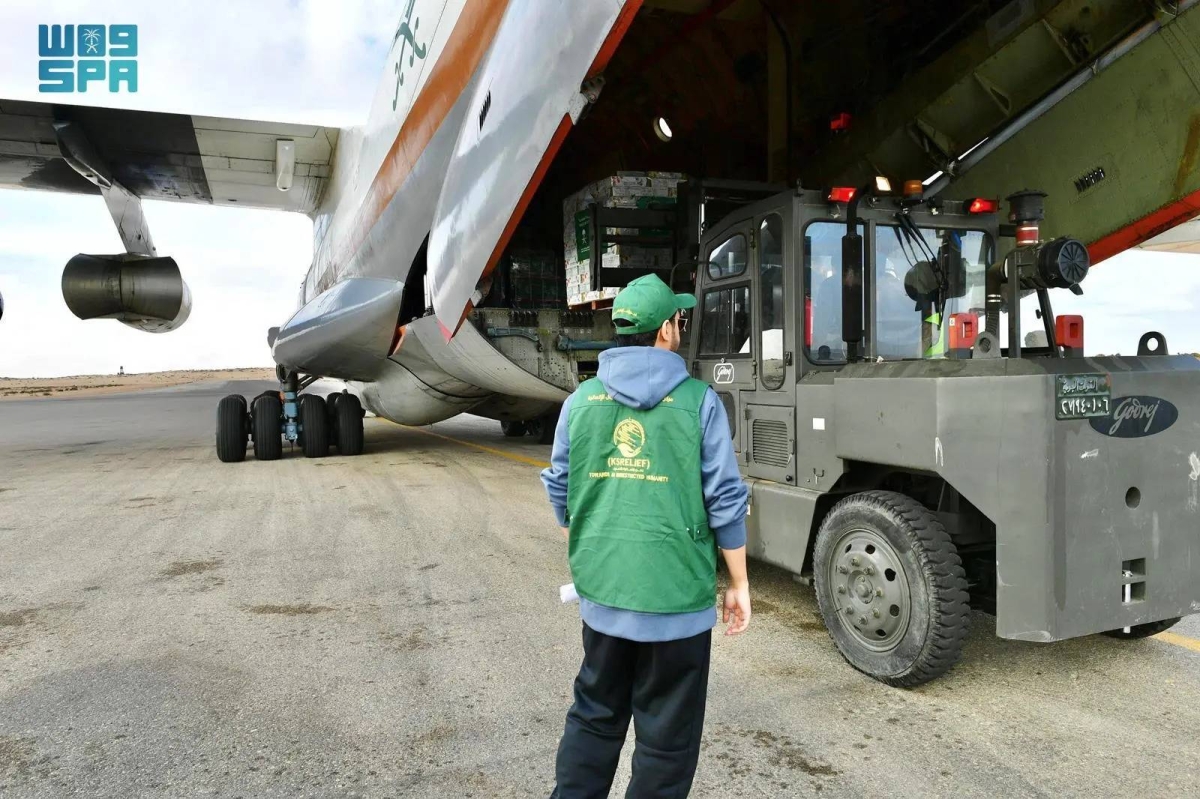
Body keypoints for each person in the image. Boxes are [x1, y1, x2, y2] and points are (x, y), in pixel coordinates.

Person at [541, 273, 751, 798]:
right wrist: (739, 583)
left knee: (594, 714)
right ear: (665, 331)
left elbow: (560, 487)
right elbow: (725, 498)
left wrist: (596, 536)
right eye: (679, 320)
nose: (680, 328)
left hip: (604, 593)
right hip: (676, 602)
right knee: (667, 740)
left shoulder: (580, 400)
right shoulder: (700, 402)